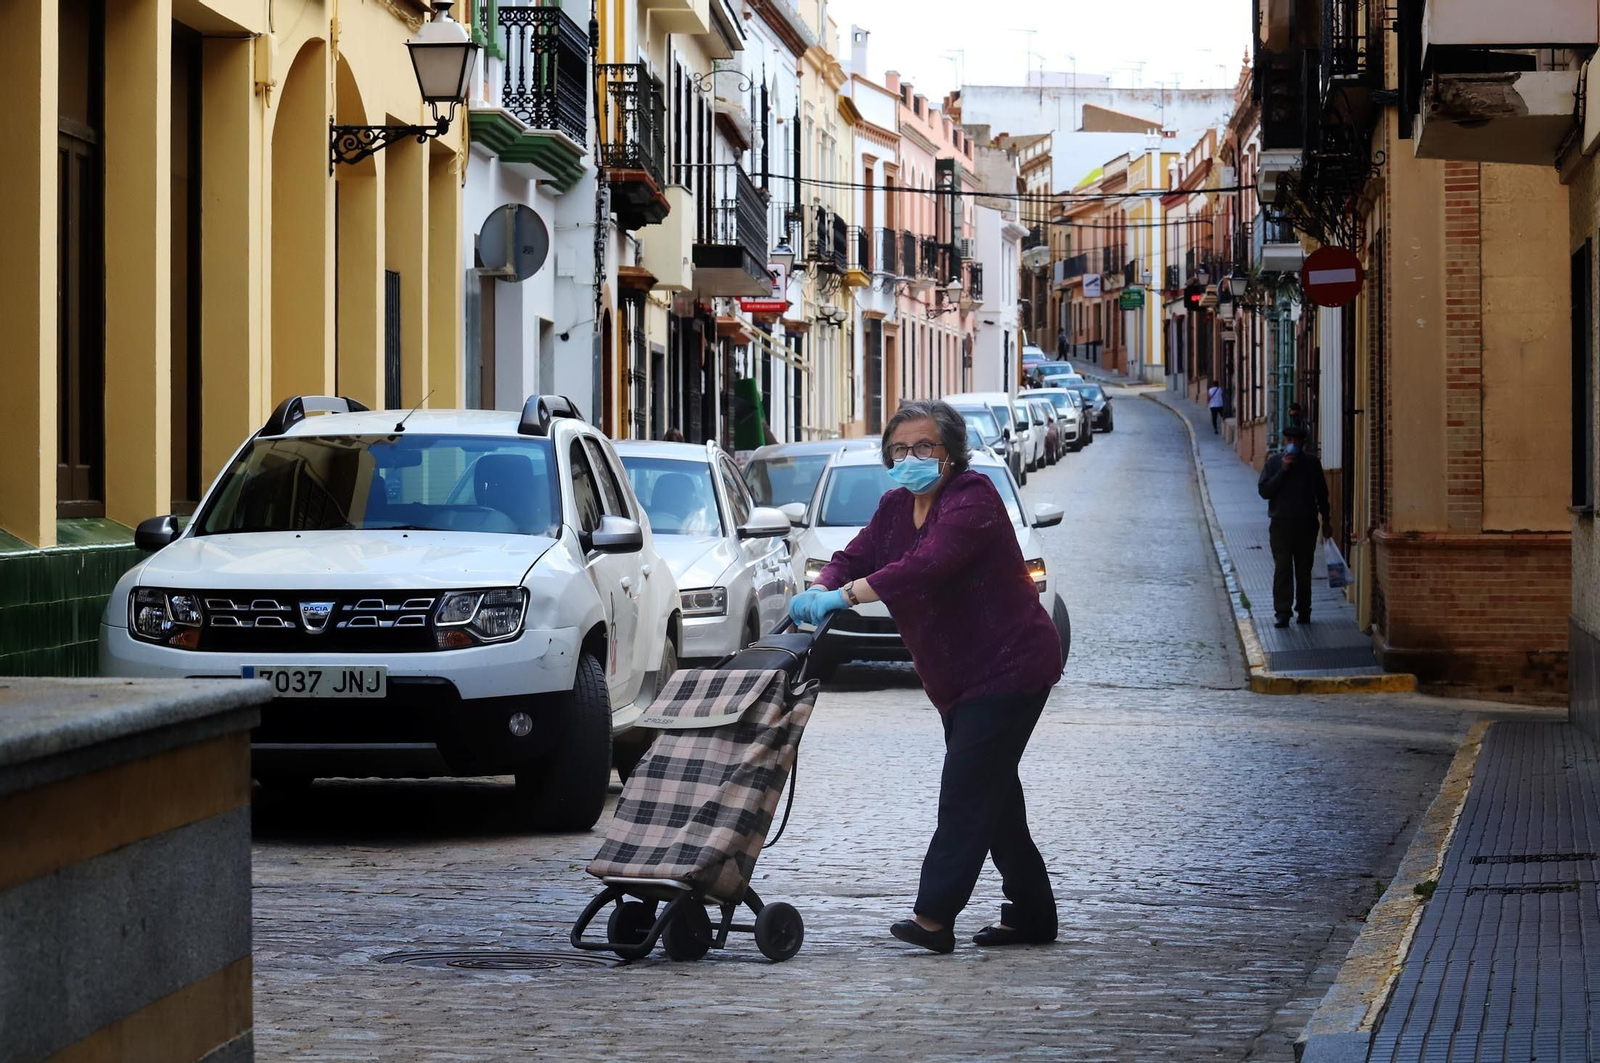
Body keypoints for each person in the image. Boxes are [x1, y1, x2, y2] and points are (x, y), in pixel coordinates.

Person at [787, 401, 1064, 954]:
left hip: (1009, 666)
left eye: (924, 447)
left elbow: (926, 566)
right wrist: (825, 584)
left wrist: (843, 597)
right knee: (994, 796)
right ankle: (1033, 914)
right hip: (956, 678)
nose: (910, 457)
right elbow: (855, 554)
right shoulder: (895, 507)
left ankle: (934, 917)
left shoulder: (974, 499)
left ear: (950, 453)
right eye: (898, 449)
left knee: (966, 791)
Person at [1257, 422, 1333, 628]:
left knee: (1303, 570)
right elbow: (1264, 491)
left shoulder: (1311, 464)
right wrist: (1283, 470)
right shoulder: (1274, 462)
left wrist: (1325, 520)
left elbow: (1322, 494)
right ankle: (1282, 612)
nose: (1291, 444)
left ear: (1302, 443)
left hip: (1306, 525)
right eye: (1288, 441)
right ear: (1284, 442)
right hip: (1280, 525)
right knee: (1282, 568)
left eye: (1295, 441)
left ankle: (1304, 610)